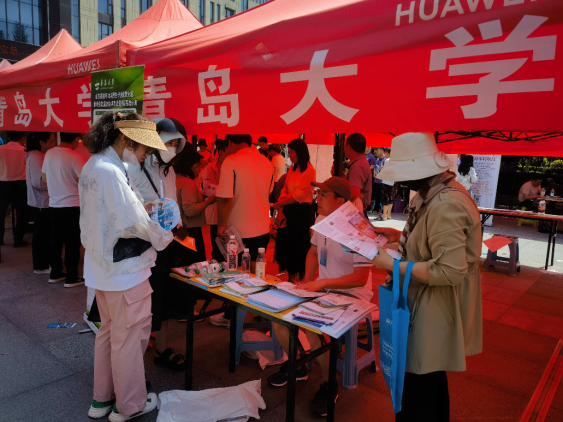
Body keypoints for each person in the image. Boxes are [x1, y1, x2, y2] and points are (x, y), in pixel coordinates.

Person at [371, 132, 482, 422]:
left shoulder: (446, 202)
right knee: (429, 381)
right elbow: (432, 240)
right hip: (427, 303)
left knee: (418, 387)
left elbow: (449, 270)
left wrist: (394, 265)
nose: (400, 182)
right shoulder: (435, 192)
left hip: (432, 308)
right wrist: (399, 236)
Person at [80, 112, 172, 422]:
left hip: (102, 268)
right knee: (129, 339)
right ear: (126, 140)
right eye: (144, 147)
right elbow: (134, 224)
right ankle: (128, 405)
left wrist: (140, 210)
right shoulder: (111, 171)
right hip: (124, 271)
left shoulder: (94, 165)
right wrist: (164, 234)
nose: (146, 155)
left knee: (109, 335)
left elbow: (111, 215)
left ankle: (102, 399)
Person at [269, 176, 373, 417]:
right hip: (324, 289)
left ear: (340, 201)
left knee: (312, 326)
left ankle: (328, 383)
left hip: (353, 293)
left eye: (323, 195)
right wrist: (307, 281)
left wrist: (321, 283)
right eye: (318, 194)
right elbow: (313, 253)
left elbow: (360, 278)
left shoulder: (358, 228)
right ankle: (298, 365)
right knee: (278, 316)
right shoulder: (321, 219)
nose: (317, 199)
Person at [125, 117, 189, 371]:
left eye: (175, 144)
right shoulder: (136, 168)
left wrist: (177, 226)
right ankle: (133, 362)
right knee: (142, 302)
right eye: (168, 142)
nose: (171, 148)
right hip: (142, 246)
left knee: (163, 297)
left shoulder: (169, 170)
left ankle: (161, 349)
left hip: (167, 243)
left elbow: (171, 202)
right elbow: (129, 207)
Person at [211, 134, 274, 328]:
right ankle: (263, 311)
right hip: (262, 227)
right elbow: (268, 191)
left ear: (230, 142)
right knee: (257, 272)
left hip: (237, 230)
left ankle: (231, 317)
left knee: (235, 273)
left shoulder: (231, 161)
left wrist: (221, 225)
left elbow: (224, 197)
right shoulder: (267, 162)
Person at [42, 132, 85, 287]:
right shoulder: (75, 157)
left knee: (56, 240)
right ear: (76, 140)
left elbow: (44, 179)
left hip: (54, 204)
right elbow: (84, 182)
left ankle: (56, 273)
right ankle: (72, 277)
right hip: (73, 204)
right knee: (73, 242)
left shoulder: (49, 154)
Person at [273, 139, 316, 282]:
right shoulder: (291, 170)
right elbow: (285, 190)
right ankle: (290, 278)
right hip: (288, 209)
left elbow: (299, 195)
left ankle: (301, 279)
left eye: (291, 152)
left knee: (300, 245)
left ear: (300, 152)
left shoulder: (310, 171)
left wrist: (279, 204)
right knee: (287, 244)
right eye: (289, 152)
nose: (289, 155)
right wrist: (281, 210)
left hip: (302, 212)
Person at [175, 150, 216, 263]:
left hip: (180, 229)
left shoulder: (176, 179)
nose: (200, 169)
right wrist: (210, 201)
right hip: (190, 230)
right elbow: (190, 210)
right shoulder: (187, 182)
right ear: (188, 166)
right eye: (198, 165)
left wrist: (201, 197)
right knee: (194, 264)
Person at [26, 132, 55, 274]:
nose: (53, 144)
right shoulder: (35, 157)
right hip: (41, 202)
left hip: (43, 201)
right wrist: (55, 183)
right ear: (41, 142)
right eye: (51, 141)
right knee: (41, 234)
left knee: (43, 233)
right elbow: (38, 182)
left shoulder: (39, 156)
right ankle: (41, 265)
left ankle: (43, 263)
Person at [0, 131, 29, 247]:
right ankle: (18, 239)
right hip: (20, 184)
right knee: (22, 213)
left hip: (2, 184)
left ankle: (0, 239)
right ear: (23, 138)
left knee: (1, 213)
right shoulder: (25, 151)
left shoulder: (1, 149)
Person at [202, 138, 229, 262]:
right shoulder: (210, 168)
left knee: (231, 246)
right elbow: (208, 189)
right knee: (217, 246)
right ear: (221, 152)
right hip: (216, 212)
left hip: (231, 212)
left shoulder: (233, 167)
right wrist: (228, 191)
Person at [344, 133, 372, 217]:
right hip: (357, 210)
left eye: (344, 146)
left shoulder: (357, 166)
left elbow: (354, 193)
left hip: (355, 211)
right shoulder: (360, 163)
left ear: (348, 147)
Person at [370, 146, 387, 216]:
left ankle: (383, 210)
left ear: (382, 151)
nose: (376, 152)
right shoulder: (377, 159)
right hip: (376, 180)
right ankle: (376, 209)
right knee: (376, 195)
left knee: (382, 196)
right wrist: (374, 173)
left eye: (378, 150)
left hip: (382, 181)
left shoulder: (385, 160)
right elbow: (375, 167)